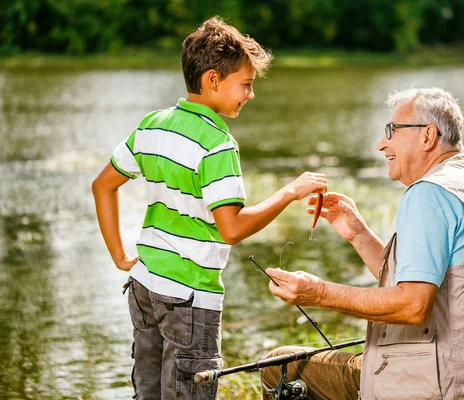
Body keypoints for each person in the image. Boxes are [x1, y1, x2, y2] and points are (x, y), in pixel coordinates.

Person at [91, 17, 327, 400]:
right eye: (246, 85)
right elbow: (230, 229)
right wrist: (289, 192)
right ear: (213, 80)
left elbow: (102, 185)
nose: (250, 95)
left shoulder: (154, 124)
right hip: (189, 298)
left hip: (144, 285)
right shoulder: (217, 144)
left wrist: (119, 254)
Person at [261, 87, 464, 400]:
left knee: (276, 366)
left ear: (428, 136)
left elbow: (413, 305)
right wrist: (359, 235)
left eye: (392, 130)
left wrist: (317, 292)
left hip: (436, 387)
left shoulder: (428, 194)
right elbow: (428, 285)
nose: (381, 143)